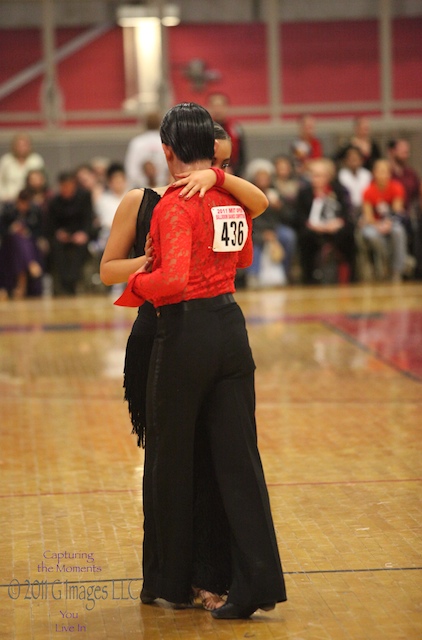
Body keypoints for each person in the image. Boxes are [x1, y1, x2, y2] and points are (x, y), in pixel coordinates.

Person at [103, 103, 286, 619]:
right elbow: (245, 256)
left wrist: (139, 282)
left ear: (166, 152)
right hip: (231, 328)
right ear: (211, 152)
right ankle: (252, 581)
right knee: (239, 463)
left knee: (170, 460)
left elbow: (174, 281)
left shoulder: (174, 206)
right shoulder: (228, 200)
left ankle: (174, 579)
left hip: (184, 334)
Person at [295, 158, 356, 284]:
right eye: (313, 175)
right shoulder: (304, 193)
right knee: (305, 237)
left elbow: (347, 213)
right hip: (313, 229)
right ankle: (309, 278)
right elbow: (299, 216)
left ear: (328, 176)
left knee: (347, 235)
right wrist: (314, 226)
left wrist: (338, 223)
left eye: (319, 175)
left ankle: (349, 276)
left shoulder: (339, 190)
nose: (315, 179)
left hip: (335, 228)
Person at [47, 171, 95, 295]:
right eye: (63, 186)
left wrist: (84, 233)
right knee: (56, 246)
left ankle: (72, 281)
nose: (66, 189)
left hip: (81, 234)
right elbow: (51, 224)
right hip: (63, 236)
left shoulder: (85, 197)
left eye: (68, 186)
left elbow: (89, 218)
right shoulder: (54, 201)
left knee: (81, 247)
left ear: (73, 185)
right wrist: (58, 233)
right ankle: (65, 282)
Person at [361, 159, 407, 282]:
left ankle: (397, 270)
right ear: (374, 173)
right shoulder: (368, 191)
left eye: (386, 172)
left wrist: (388, 223)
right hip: (374, 224)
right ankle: (385, 262)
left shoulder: (396, 187)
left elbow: (397, 210)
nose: (383, 175)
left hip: (391, 222)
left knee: (398, 231)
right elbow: (368, 215)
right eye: (380, 171)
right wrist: (378, 225)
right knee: (370, 235)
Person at [0, 188, 44, 299]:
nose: (23, 206)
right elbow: (2, 229)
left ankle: (20, 284)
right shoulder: (8, 211)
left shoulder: (36, 211)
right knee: (17, 239)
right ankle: (30, 264)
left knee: (23, 242)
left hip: (30, 243)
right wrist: (12, 229)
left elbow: (41, 230)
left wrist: (28, 232)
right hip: (10, 244)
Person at [124, 111, 171, 189]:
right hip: (162, 186)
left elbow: (131, 170)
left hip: (141, 189)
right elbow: (169, 166)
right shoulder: (165, 142)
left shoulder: (137, 142)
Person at [207, 92, 246, 176]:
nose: (218, 109)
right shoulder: (205, 128)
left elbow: (242, 156)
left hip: (233, 173)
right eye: (215, 106)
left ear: (226, 107)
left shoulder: (235, 129)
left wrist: (233, 171)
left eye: (220, 106)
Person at [0, 133, 45, 204]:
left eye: (24, 145)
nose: (21, 148)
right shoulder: (6, 160)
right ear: (13, 146)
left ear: (29, 146)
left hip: (30, 201)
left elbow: (41, 182)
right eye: (19, 145)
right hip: (8, 200)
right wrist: (3, 196)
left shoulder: (36, 160)